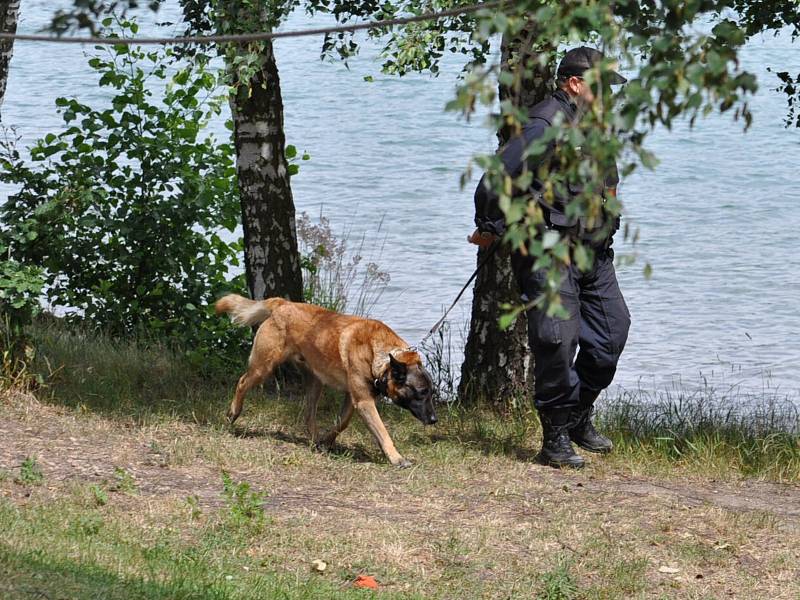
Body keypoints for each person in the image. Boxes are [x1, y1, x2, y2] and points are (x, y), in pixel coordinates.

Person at [469, 47, 630, 469]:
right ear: (575, 84)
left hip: (593, 252)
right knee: (557, 340)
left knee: (612, 335)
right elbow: (497, 176)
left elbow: (609, 182)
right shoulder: (546, 122)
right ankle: (555, 438)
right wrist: (489, 226)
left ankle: (578, 415)